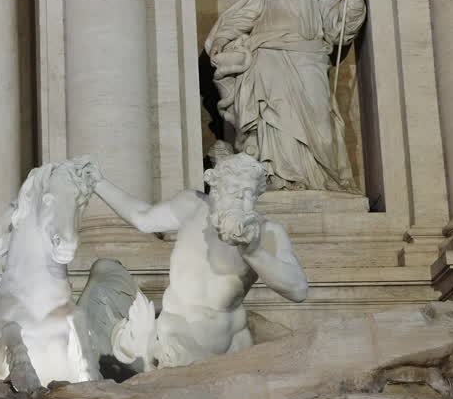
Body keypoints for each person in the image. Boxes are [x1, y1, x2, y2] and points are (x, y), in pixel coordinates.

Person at [87, 152, 308, 366]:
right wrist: (98, 182)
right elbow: (142, 218)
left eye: (249, 193)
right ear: (215, 189)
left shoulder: (267, 232)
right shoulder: (191, 206)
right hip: (176, 338)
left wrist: (253, 251)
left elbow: (298, 289)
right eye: (233, 189)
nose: (241, 199)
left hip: (231, 345)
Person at [205, 0, 365, 192]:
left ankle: (321, 179)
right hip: (267, 54)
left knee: (319, 120)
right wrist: (222, 37)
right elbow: (246, 14)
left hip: (308, 55)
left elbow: (337, 22)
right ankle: (275, 177)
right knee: (272, 116)